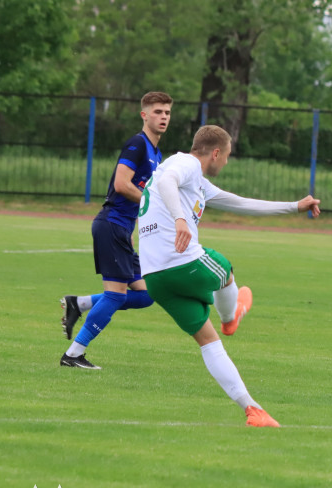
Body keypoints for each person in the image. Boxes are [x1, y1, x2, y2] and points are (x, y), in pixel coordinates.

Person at [137, 125, 320, 428]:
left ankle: (252, 410)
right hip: (181, 262)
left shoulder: (198, 183)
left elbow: (240, 203)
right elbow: (168, 180)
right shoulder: (186, 164)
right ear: (216, 153)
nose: (226, 163)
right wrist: (180, 220)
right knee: (226, 270)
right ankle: (231, 316)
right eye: (227, 157)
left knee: (208, 342)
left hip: (155, 277)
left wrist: (294, 207)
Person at [59, 91, 173, 370]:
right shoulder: (137, 144)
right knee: (115, 295)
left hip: (123, 229)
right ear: (144, 115)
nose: (163, 117)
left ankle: (80, 303)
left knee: (147, 294)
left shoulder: (156, 152)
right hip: (111, 225)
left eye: (167, 113)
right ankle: (73, 354)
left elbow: (139, 194)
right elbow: (122, 184)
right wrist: (154, 202)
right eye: (157, 112)